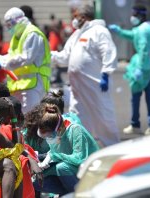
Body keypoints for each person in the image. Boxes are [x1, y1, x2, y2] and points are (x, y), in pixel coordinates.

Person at [51, 4, 120, 146]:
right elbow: (65, 57)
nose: (73, 19)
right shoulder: (77, 34)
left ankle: (112, 146)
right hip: (78, 87)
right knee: (77, 116)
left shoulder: (99, 31)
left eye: (75, 16)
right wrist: (49, 55)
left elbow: (108, 52)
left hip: (96, 85)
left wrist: (106, 74)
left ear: (84, 16)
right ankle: (81, 148)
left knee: (103, 116)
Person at [0, 7, 52, 114]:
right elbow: (11, 56)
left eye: (10, 25)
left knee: (29, 120)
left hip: (33, 85)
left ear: (19, 21)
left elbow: (26, 58)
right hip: (20, 85)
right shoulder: (17, 37)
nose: (9, 28)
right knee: (19, 122)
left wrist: (4, 63)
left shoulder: (32, 33)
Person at [108, 4, 150, 135]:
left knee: (136, 96)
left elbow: (143, 50)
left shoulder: (143, 30)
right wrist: (119, 31)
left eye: (134, 15)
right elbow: (133, 36)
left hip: (144, 67)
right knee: (149, 95)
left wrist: (140, 69)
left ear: (140, 15)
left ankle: (136, 124)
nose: (132, 17)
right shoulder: (148, 26)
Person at [33, 103, 99, 196]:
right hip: (70, 171)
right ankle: (67, 193)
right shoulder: (55, 133)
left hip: (87, 170)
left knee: (62, 167)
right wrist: (44, 163)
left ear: (57, 129)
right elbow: (53, 151)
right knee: (36, 181)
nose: (48, 138)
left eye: (49, 136)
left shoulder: (76, 130)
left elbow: (79, 159)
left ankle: (78, 194)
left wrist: (57, 155)